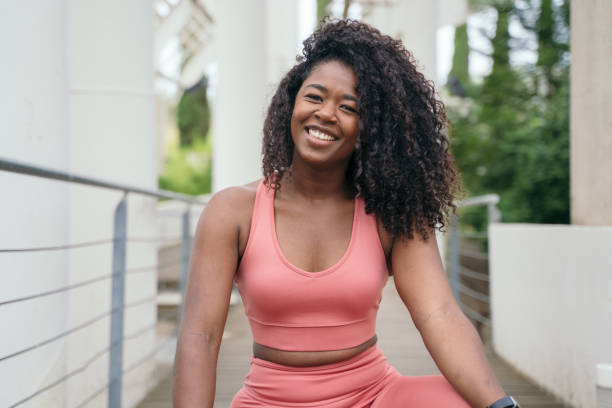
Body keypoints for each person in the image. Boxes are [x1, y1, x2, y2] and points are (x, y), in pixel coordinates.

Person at [173, 19, 520, 408]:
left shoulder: (392, 210)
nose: (325, 114)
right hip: (269, 399)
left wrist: (500, 405)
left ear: (371, 128)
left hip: (374, 395)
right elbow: (199, 337)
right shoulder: (232, 211)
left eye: (348, 107)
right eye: (315, 97)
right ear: (291, 103)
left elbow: (439, 314)